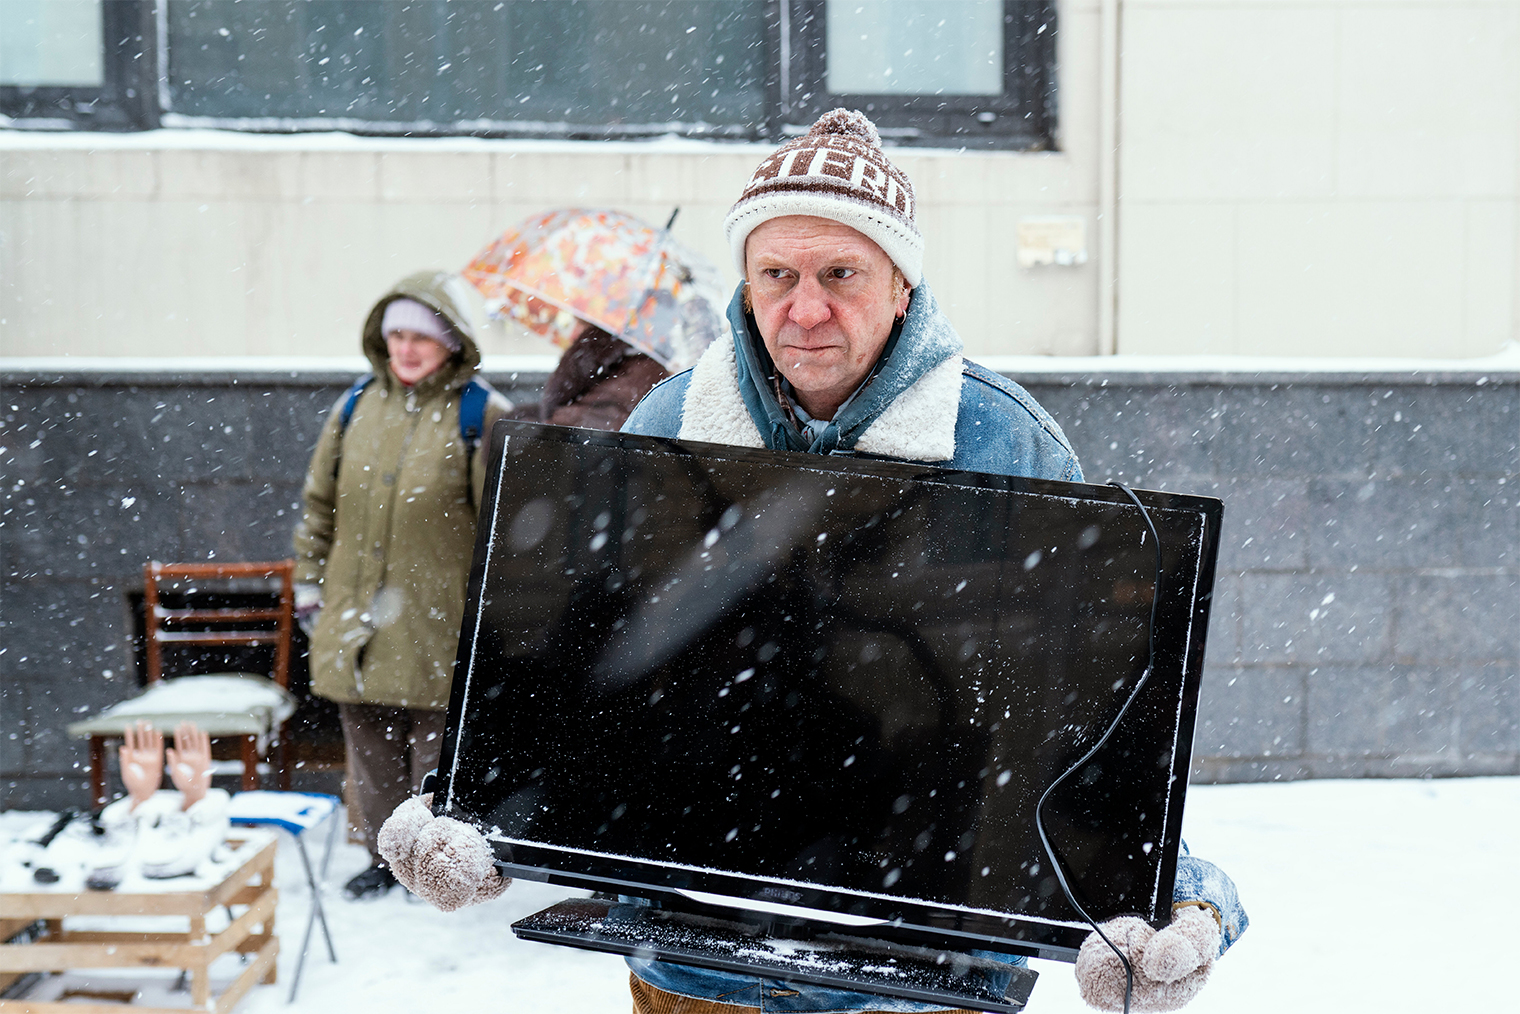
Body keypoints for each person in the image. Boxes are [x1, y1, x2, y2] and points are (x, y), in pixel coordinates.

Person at [378, 112, 1247, 1012]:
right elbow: (594, 671)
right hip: (693, 966)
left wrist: (1174, 900)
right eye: (778, 275)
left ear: (901, 285)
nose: (805, 308)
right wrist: (481, 815)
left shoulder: (1002, 440)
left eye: (841, 273)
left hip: (921, 974)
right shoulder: (669, 426)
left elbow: (1096, 718)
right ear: (748, 285)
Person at [291, 270, 512, 899]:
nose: (407, 349)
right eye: (397, 336)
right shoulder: (354, 407)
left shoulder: (481, 413)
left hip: (438, 619)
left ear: (452, 341)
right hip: (355, 614)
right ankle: (381, 859)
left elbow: (499, 529)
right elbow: (318, 508)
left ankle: (435, 866)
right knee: (369, 745)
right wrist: (310, 585)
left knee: (435, 750)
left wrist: (492, 617)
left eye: (422, 336)